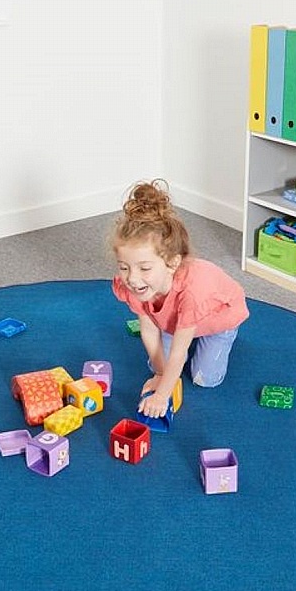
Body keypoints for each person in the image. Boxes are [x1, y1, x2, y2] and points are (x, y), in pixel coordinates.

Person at [110, 179, 249, 419]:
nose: (132, 279)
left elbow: (178, 352)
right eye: (124, 267)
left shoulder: (192, 293)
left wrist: (162, 396)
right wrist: (162, 376)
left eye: (144, 268)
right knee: (156, 367)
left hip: (218, 317)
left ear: (172, 263)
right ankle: (178, 337)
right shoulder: (137, 285)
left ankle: (223, 337)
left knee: (204, 379)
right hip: (174, 320)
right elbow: (148, 331)